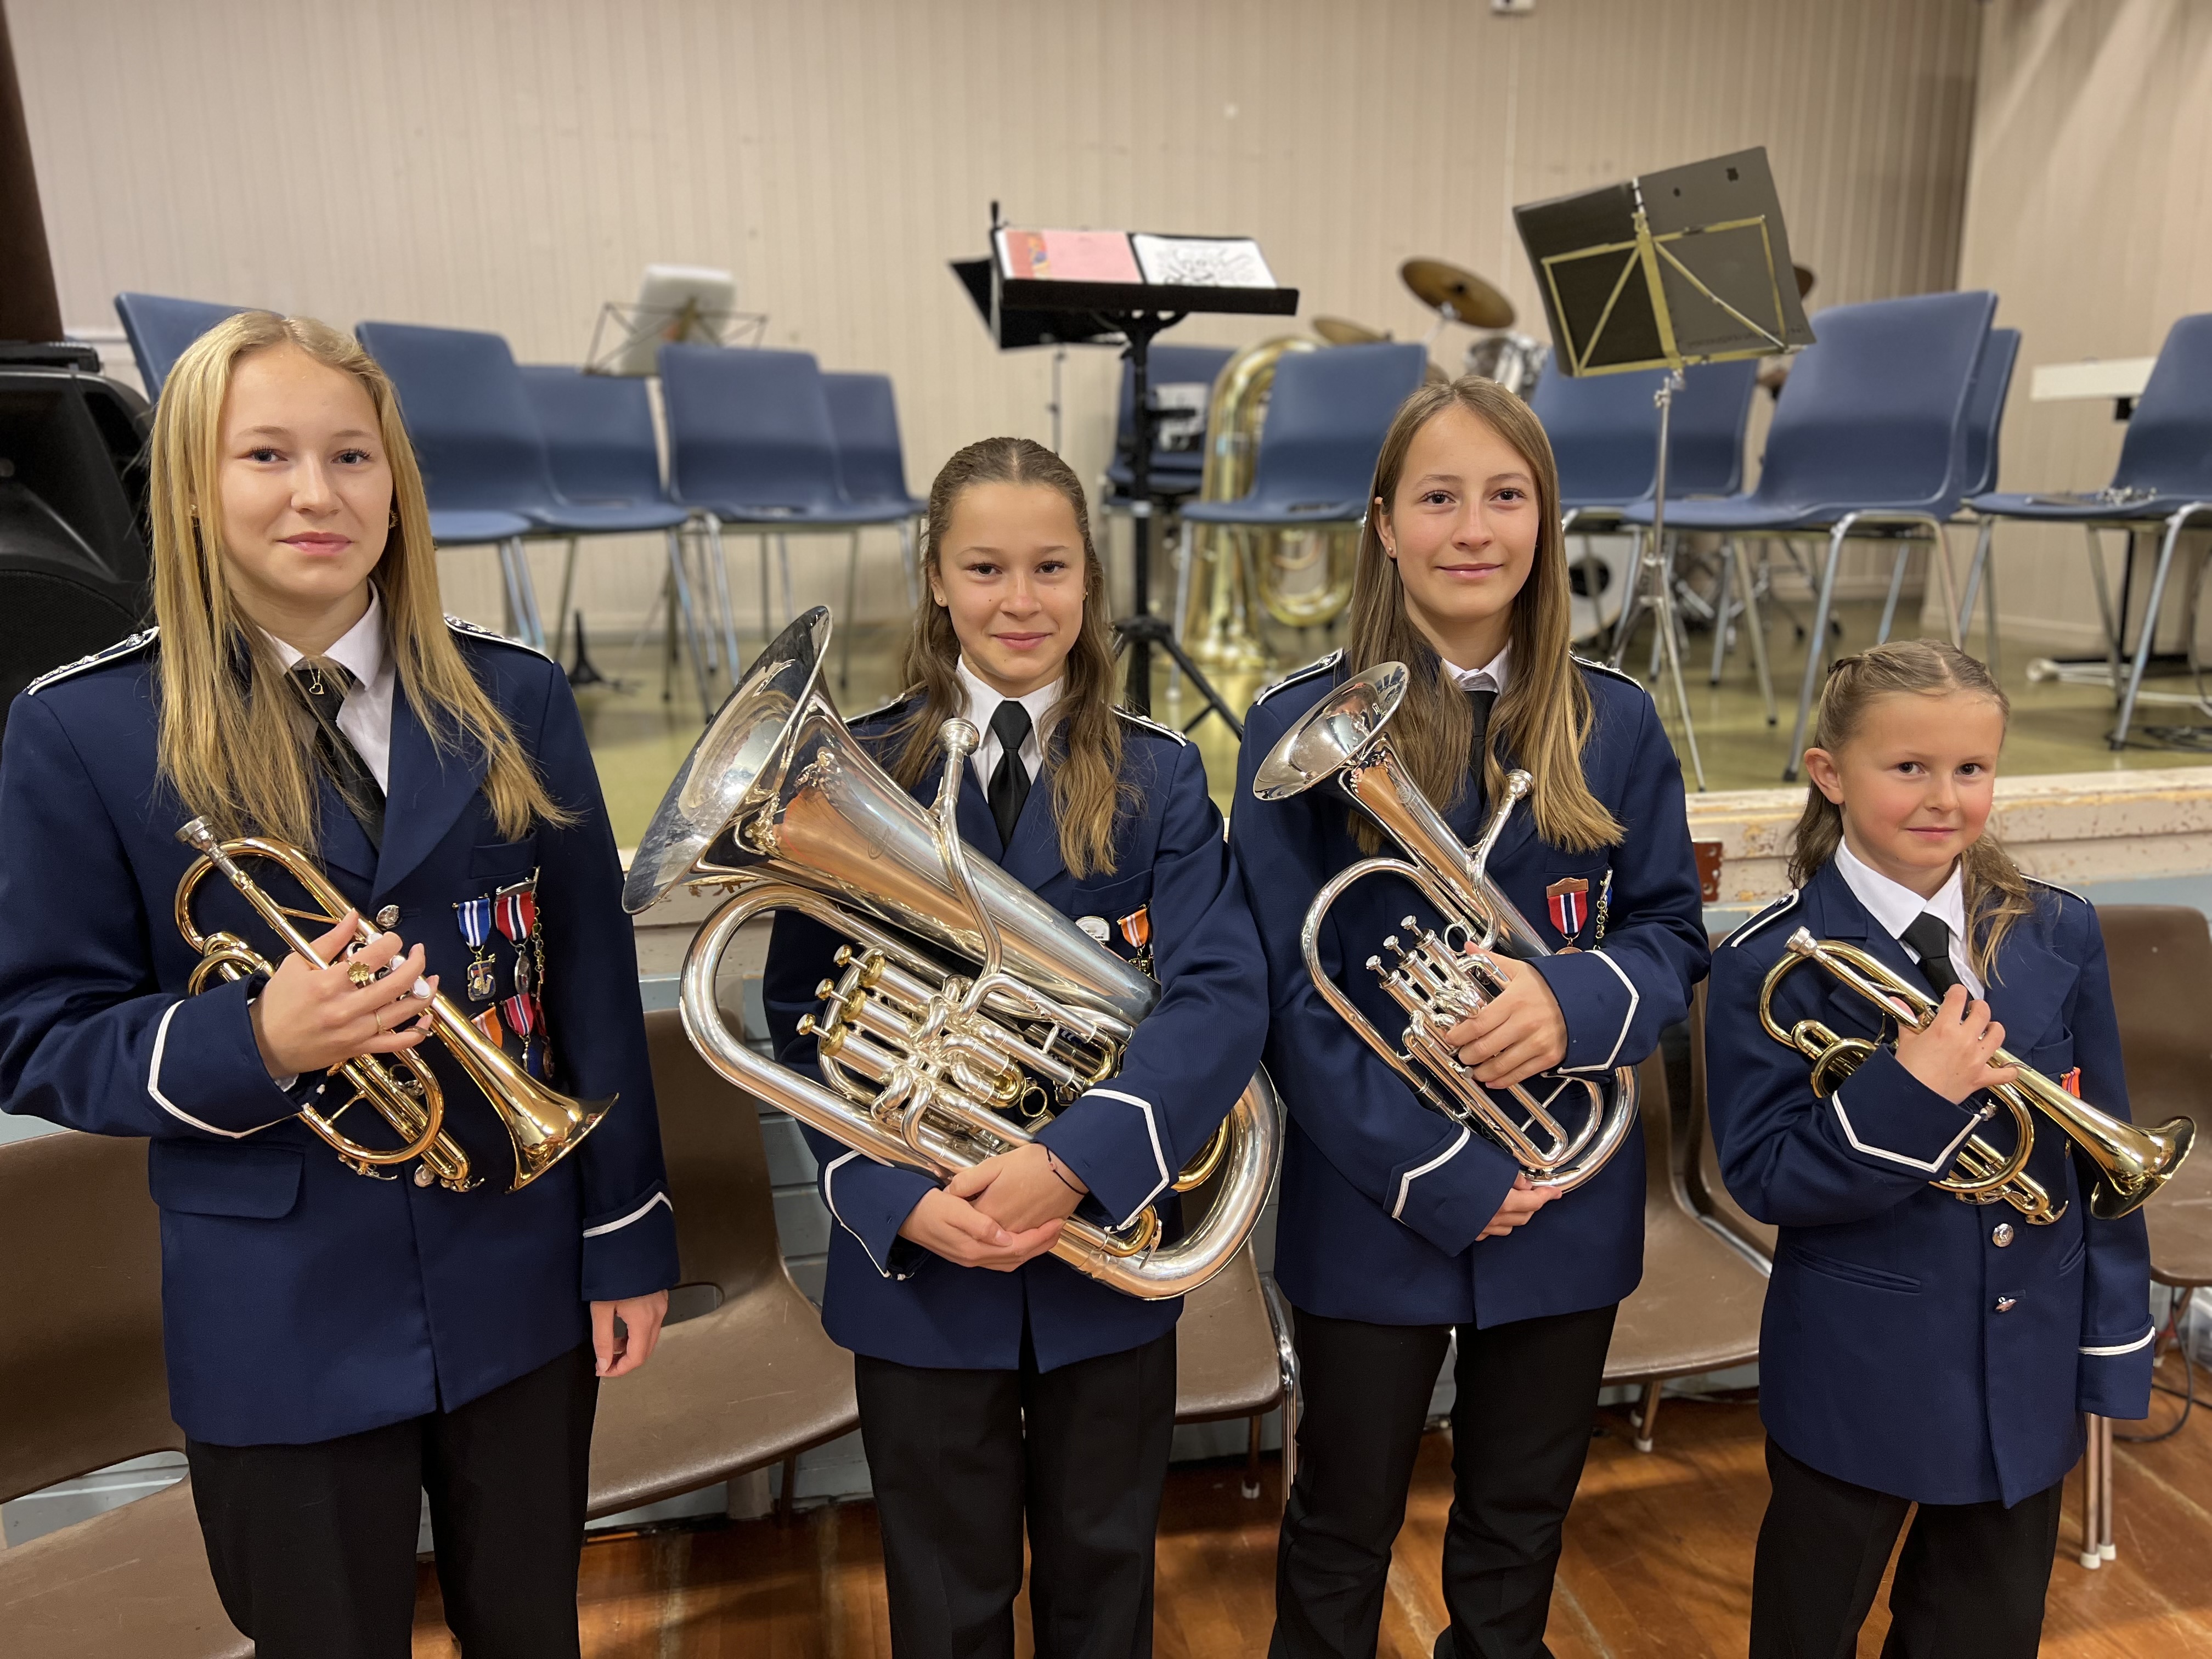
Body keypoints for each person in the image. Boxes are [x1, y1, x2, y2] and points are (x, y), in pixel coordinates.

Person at [0, 313, 679, 1659]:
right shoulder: (83, 726)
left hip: (515, 1268)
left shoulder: (512, 695)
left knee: (532, 1627)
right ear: (193, 487)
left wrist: (626, 1236)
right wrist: (256, 1037)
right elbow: (34, 1032)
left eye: (352, 457)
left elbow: (591, 987)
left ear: (397, 487)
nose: (317, 493)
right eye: (266, 455)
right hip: (278, 1306)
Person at [760, 436, 1266, 1659]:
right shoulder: (853, 768)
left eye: (1050, 567)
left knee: (1106, 1579)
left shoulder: (1158, 776)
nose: (1020, 600)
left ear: (1089, 578)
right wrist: (891, 1198)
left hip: (1104, 1250)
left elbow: (1217, 999)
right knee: (944, 1601)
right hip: (926, 1264)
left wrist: (1075, 1161)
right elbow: (797, 1023)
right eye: (985, 568)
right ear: (937, 578)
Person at [1233, 376, 1708, 1658]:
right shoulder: (1294, 726)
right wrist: (1437, 1167)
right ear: (1385, 525)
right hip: (1376, 1191)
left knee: (1520, 1521)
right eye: (1439, 498)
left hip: (1566, 1192)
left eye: (1507, 496)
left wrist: (1568, 1001)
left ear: (1546, 522)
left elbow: (1672, 934)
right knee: (1343, 1520)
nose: (1475, 529)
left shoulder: (1618, 720)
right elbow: (1285, 989)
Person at [1706, 640, 2154, 1659]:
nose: (1943, 797)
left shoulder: (2058, 932)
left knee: (1986, 1633)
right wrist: (1911, 1092)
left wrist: (2110, 1345)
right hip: (1859, 1364)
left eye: (1971, 768)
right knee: (1810, 1628)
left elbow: (2105, 1164)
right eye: (1908, 767)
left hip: (2028, 1358)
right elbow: (1767, 1176)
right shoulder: (1767, 960)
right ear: (1830, 774)